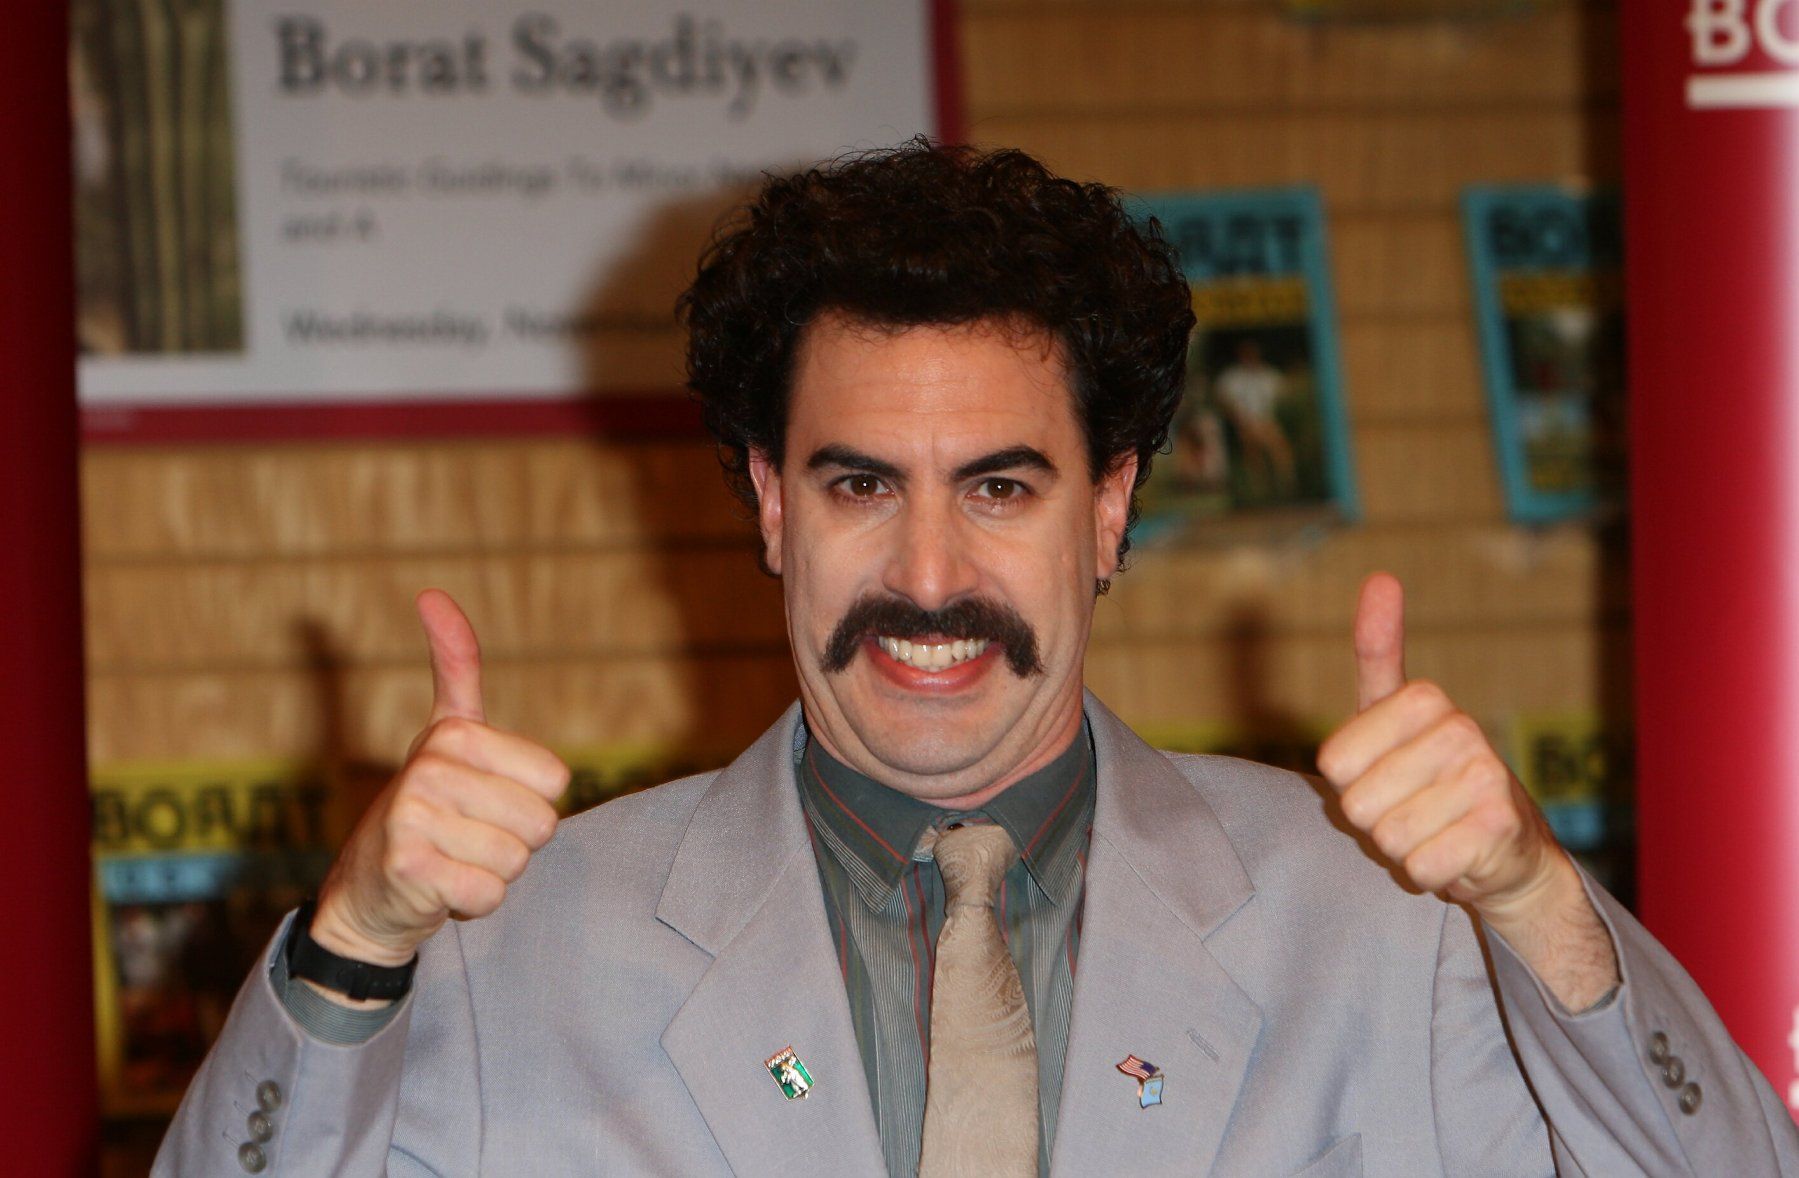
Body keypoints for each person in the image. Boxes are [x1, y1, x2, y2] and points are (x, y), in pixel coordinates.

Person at [155, 141, 1799, 1176]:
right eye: (860, 485)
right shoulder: (514, 952)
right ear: (772, 504)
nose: (929, 575)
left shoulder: (1387, 923)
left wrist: (1533, 896)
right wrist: (356, 943)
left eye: (1000, 488)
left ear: (1110, 505)